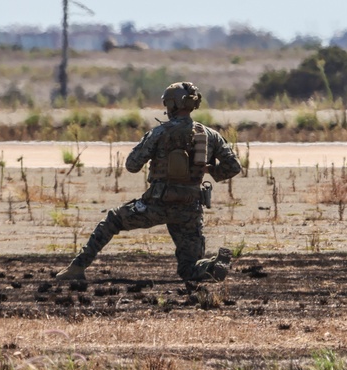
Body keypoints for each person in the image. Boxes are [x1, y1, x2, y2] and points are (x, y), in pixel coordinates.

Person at [56, 82, 242, 283]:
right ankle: (212, 266)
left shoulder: (159, 133)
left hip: (157, 204)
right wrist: (207, 169)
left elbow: (132, 165)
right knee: (189, 269)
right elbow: (233, 166)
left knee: (113, 220)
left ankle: (77, 267)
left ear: (172, 105)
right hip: (190, 209)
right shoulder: (209, 135)